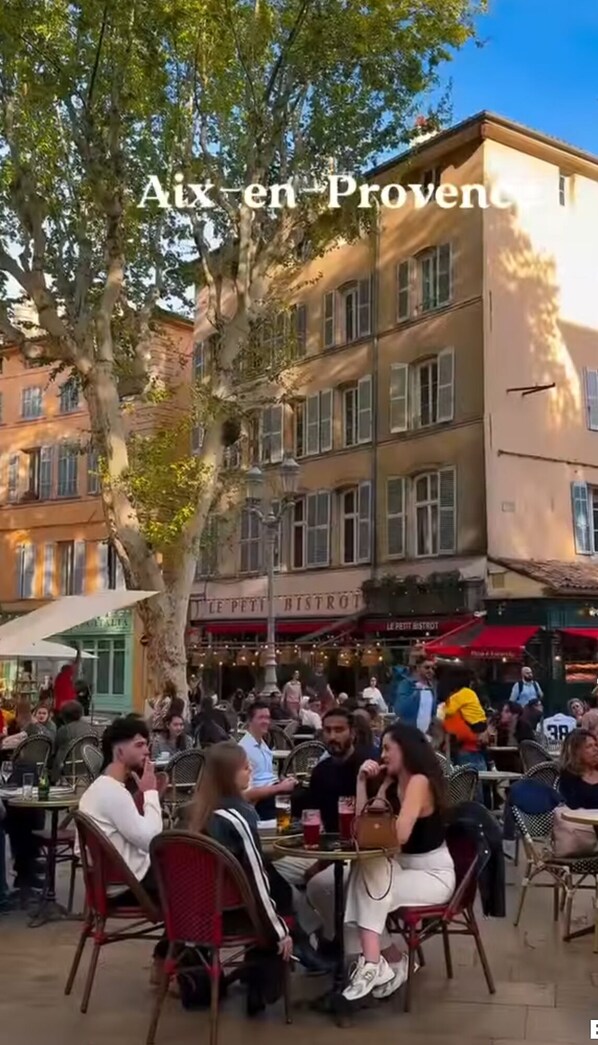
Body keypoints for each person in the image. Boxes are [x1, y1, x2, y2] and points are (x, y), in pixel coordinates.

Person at [185, 741, 325, 986]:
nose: (251, 769)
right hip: (237, 909)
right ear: (229, 775)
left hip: (201, 907)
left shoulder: (196, 813)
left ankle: (304, 944)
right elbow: (256, 880)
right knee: (278, 882)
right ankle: (303, 945)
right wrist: (279, 932)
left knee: (276, 877)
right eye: (245, 766)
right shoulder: (239, 815)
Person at [342, 723, 455, 1001]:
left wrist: (380, 809)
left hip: (432, 874)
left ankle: (372, 962)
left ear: (405, 750)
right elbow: (363, 829)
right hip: (402, 867)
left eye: (387, 748)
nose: (382, 755)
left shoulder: (419, 782)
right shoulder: (392, 784)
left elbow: (396, 838)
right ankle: (385, 959)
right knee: (361, 872)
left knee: (368, 879)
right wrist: (364, 784)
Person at [77, 717, 167, 979]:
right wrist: (150, 794)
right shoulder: (112, 793)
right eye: (139, 745)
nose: (146, 751)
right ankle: (169, 965)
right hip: (128, 886)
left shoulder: (101, 790)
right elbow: (151, 839)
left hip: (110, 883)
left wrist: (142, 797)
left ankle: (166, 962)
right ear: (119, 751)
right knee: (199, 889)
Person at [239, 702, 296, 819]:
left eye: (267, 718)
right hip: (260, 803)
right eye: (261, 718)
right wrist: (280, 787)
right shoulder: (243, 750)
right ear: (250, 721)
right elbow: (246, 795)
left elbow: (267, 777)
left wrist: (283, 781)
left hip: (273, 792)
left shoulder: (264, 746)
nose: (266, 722)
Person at [439, 667, 487, 771]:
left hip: (467, 749)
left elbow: (448, 712)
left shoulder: (458, 697)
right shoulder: (470, 693)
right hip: (478, 735)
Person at [392, 656, 437, 729]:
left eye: (433, 668)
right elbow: (400, 710)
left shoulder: (432, 688)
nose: (430, 671)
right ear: (418, 668)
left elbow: (433, 713)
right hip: (409, 732)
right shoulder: (407, 684)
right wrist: (415, 693)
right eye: (427, 667)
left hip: (425, 735)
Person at [51, 700, 91, 782]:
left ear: (63, 716)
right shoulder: (89, 728)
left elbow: (55, 751)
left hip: (69, 768)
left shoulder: (64, 730)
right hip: (88, 766)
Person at [559, 729, 598, 808]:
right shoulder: (568, 779)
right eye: (589, 746)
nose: (596, 749)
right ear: (575, 752)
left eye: (596, 745)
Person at [53, 648, 81, 717]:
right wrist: (78, 654)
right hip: (67, 707)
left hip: (58, 706)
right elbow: (76, 665)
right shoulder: (66, 677)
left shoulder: (58, 678)